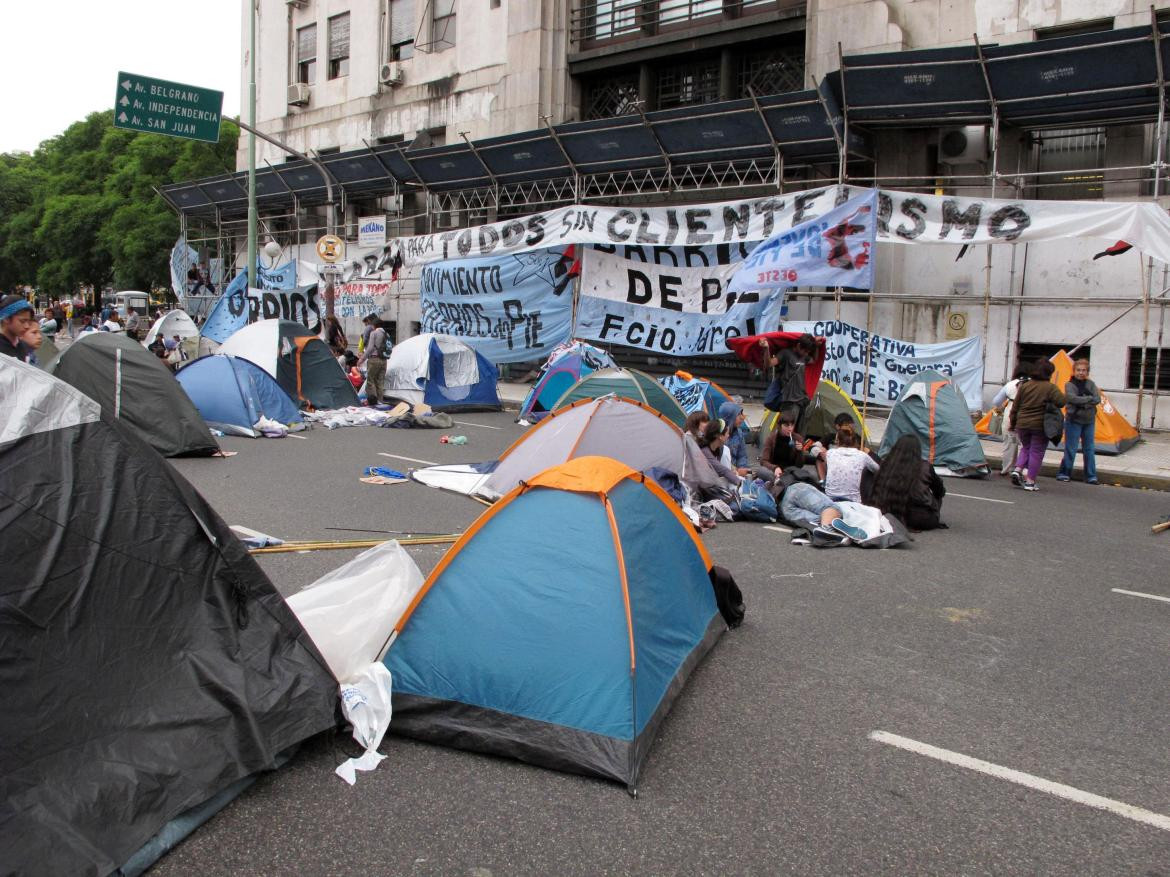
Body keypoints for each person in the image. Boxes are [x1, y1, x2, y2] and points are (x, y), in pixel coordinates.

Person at [867, 434, 946, 531]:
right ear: (918, 451)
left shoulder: (887, 464)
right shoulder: (925, 467)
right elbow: (940, 490)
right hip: (921, 518)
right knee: (937, 493)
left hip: (890, 514)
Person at [1009, 358, 1066, 492]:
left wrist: (1013, 423)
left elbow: (1015, 406)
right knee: (1036, 452)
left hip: (1022, 423)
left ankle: (1017, 469)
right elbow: (1061, 402)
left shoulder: (1025, 385)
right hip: (1040, 425)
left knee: (1025, 448)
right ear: (1049, 373)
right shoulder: (1050, 387)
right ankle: (1030, 481)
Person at [1057, 357, 1101, 484]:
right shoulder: (1069, 384)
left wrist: (1082, 400)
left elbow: (1097, 399)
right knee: (1071, 448)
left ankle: (1091, 475)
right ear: (1074, 371)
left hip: (1089, 421)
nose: (1081, 372)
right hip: (1073, 420)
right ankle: (1064, 473)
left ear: (1087, 372)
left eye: (1084, 370)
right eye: (1078, 370)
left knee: (1089, 449)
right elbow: (1071, 398)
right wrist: (1088, 399)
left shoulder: (1091, 384)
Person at [778, 482, 867, 541]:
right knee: (830, 508)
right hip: (793, 490)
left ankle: (828, 529)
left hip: (783, 509)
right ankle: (827, 528)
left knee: (816, 520)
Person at [760, 333, 816, 421]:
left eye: (808, 352)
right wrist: (766, 349)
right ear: (798, 345)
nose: (806, 353)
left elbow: (814, 360)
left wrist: (817, 344)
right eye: (805, 351)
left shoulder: (805, 357)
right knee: (786, 430)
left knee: (797, 432)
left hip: (802, 400)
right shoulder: (785, 353)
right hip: (789, 401)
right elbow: (769, 364)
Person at [990, 362, 1029, 477]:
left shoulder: (1010, 384)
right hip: (1027, 415)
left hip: (1010, 416)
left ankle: (1005, 469)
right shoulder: (1033, 384)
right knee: (1025, 445)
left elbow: (996, 401)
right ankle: (1020, 469)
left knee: (1009, 443)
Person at [823, 423, 878, 503]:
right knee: (868, 469)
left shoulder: (830, 453)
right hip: (853, 501)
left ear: (837, 441)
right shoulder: (862, 455)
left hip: (830, 498)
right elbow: (877, 469)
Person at [717, 401, 752, 476]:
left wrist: (743, 468)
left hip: (737, 472)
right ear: (730, 418)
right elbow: (717, 462)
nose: (742, 418)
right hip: (722, 474)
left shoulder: (739, 433)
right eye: (738, 415)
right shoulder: (717, 435)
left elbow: (742, 455)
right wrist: (736, 471)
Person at [359, 319, 389, 405]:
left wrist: (362, 359)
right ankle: (380, 401)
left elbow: (370, 348)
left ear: (374, 326)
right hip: (384, 360)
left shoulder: (374, 333)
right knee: (380, 381)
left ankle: (373, 402)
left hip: (374, 359)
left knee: (370, 381)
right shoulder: (386, 334)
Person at [0, 294, 36, 361]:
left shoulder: (25, 346)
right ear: (6, 319)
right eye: (22, 321)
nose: (27, 326)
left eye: (28, 321)